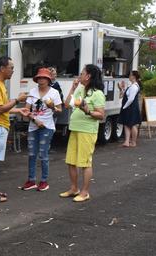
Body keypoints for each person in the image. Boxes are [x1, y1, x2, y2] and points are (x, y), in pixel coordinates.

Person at [60, 64, 105, 202]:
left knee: (85, 163)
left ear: (88, 76)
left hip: (87, 131)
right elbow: (67, 104)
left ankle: (85, 192)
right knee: (71, 161)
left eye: (82, 73)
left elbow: (101, 115)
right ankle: (74, 188)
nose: (79, 75)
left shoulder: (97, 94)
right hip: (75, 128)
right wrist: (73, 88)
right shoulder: (80, 89)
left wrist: (88, 111)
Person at [0, 56, 27, 202]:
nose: (13, 71)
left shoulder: (0, 84)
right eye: (11, 68)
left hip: (1, 126)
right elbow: (0, 108)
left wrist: (18, 111)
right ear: (2, 68)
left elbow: (2, 108)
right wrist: (17, 100)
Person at [21, 67, 62, 192]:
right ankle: (31, 180)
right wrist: (35, 120)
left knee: (43, 154)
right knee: (32, 154)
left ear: (49, 79)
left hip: (47, 127)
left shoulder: (54, 93)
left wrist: (53, 107)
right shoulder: (33, 91)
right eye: (39, 77)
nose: (41, 80)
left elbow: (60, 110)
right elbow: (26, 110)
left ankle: (44, 181)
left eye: (44, 77)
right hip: (33, 126)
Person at [118, 70, 142, 147]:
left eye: (130, 75)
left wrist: (124, 107)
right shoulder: (131, 85)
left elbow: (131, 99)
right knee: (126, 124)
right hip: (129, 107)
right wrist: (121, 88)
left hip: (131, 107)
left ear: (134, 77)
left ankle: (133, 142)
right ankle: (127, 141)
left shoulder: (134, 86)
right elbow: (125, 95)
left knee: (133, 124)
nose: (129, 76)